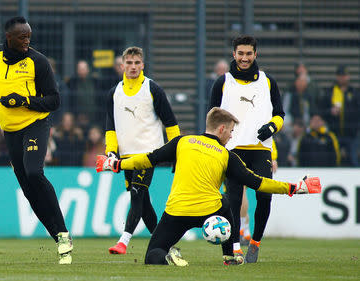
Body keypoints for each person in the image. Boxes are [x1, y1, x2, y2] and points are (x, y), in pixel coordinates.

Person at [96, 107, 321, 266]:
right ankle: (231, 254)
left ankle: (165, 257)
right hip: (210, 212)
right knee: (227, 201)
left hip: (176, 212)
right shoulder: (226, 155)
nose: (232, 136)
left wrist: (116, 164)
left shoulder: (182, 142)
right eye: (231, 131)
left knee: (152, 255)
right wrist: (295, 188)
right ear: (222, 129)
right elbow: (258, 182)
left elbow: (147, 158)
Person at [0, 16, 73, 264]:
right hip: (9, 131)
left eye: (29, 37)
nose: (27, 41)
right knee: (26, 187)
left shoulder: (38, 61)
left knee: (34, 172)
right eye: (22, 37)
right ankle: (59, 239)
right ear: (8, 37)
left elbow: (54, 100)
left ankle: (64, 232)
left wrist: (24, 101)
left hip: (35, 124)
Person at [208, 35, 286, 263]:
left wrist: (272, 127)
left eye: (248, 54)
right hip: (231, 150)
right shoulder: (222, 82)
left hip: (261, 149)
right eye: (240, 54)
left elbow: (280, 114)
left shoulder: (268, 81)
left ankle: (255, 243)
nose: (244, 58)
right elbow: (212, 118)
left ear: (255, 54)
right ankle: (234, 247)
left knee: (264, 197)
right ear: (233, 54)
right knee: (232, 199)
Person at [105, 46, 180, 255]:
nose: (133, 67)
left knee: (137, 195)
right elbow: (110, 127)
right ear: (122, 65)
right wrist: (111, 152)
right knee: (144, 202)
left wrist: (177, 150)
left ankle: (123, 241)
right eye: (129, 63)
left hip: (149, 153)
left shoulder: (152, 89)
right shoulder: (114, 93)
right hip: (126, 156)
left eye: (137, 63)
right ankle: (165, 246)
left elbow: (170, 123)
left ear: (143, 65)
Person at [325, 65, 359, 167]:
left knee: (353, 159)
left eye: (344, 75)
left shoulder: (354, 93)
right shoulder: (330, 92)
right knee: (334, 160)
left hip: (352, 134)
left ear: (348, 77)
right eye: (340, 75)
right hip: (334, 133)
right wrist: (330, 111)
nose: (342, 78)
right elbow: (322, 110)